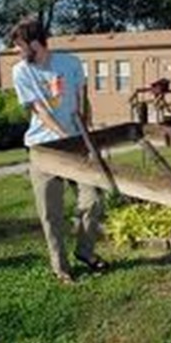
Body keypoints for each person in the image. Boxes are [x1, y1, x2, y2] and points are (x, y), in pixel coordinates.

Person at [10, 16, 108, 284]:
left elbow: (81, 100)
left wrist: (86, 134)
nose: (18, 52)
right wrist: (64, 136)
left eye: (20, 47)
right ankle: (60, 267)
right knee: (50, 213)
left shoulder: (71, 63)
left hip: (76, 144)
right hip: (43, 148)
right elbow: (39, 110)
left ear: (34, 43)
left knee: (94, 200)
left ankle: (85, 252)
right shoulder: (21, 71)